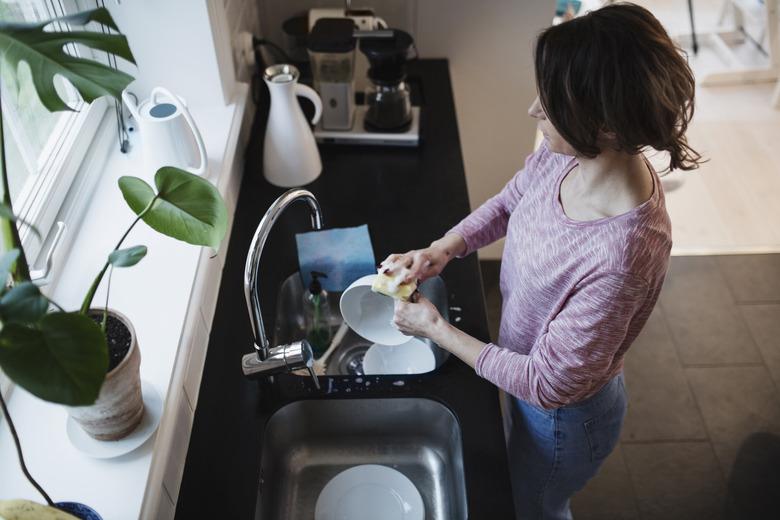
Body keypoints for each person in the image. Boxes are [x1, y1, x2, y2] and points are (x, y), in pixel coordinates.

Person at [382, 3, 702, 519]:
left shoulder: (623, 254)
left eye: (550, 103)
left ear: (605, 125)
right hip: (522, 373)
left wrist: (435, 328)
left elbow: (547, 385)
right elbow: (511, 201)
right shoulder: (569, 153)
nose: (534, 109)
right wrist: (444, 248)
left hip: (563, 421)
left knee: (534, 506)